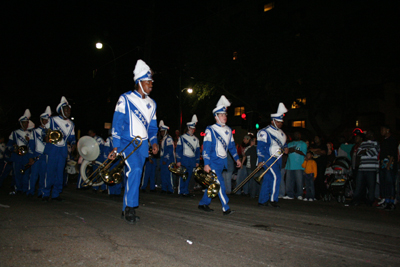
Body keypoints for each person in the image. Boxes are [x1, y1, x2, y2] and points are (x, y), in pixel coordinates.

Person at [108, 59, 159, 224]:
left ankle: (125, 208)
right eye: (148, 81)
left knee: (135, 175)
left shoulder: (152, 104)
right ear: (139, 82)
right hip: (126, 144)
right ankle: (130, 207)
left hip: (142, 146)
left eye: (151, 81)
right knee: (135, 170)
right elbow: (117, 123)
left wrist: (155, 142)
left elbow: (152, 128)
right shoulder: (125, 98)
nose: (151, 84)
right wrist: (115, 146)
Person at [198, 95, 241, 215]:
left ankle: (203, 203)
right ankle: (225, 207)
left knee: (212, 184)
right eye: (221, 115)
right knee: (220, 184)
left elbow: (231, 147)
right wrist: (206, 164)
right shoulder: (210, 130)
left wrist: (237, 159)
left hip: (222, 162)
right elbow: (206, 149)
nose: (224, 117)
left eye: (225, 114)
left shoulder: (228, 130)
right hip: (213, 163)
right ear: (216, 117)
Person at [42, 97, 76, 202]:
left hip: (62, 150)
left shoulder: (71, 124)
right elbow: (44, 133)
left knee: (60, 173)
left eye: (69, 110)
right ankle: (46, 193)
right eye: (66, 109)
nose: (68, 111)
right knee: (49, 172)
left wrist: (74, 144)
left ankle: (56, 193)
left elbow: (72, 138)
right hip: (52, 148)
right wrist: (46, 137)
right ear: (61, 110)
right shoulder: (52, 120)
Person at [257, 103, 288, 208]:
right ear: (272, 121)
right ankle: (273, 200)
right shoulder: (264, 132)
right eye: (278, 122)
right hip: (268, 158)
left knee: (268, 179)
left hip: (278, 159)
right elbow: (260, 147)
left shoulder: (283, 134)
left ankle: (262, 200)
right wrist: (261, 160)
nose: (280, 124)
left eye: (281, 122)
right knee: (277, 177)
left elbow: (284, 144)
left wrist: (286, 147)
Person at [6, 109, 34, 194]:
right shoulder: (15, 133)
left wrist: (29, 141)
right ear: (21, 123)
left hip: (26, 156)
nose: (26, 124)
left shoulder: (31, 133)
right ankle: (18, 188)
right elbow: (9, 145)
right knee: (17, 173)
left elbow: (32, 146)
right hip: (17, 156)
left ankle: (25, 189)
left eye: (27, 122)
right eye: (24, 122)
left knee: (26, 173)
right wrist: (13, 149)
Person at [350, 130, 379, 206]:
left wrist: (364, 151)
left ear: (373, 135)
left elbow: (373, 153)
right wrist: (366, 151)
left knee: (371, 186)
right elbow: (358, 153)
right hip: (362, 167)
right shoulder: (363, 143)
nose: (367, 134)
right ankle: (356, 200)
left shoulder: (376, 143)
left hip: (371, 168)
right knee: (358, 185)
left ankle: (370, 201)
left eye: (369, 133)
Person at [27, 106, 51, 197]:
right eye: (44, 120)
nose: (46, 122)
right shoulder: (35, 131)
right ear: (41, 120)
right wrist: (30, 157)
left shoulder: (51, 133)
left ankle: (41, 192)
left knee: (43, 176)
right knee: (33, 175)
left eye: (47, 120)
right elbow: (31, 145)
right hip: (37, 155)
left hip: (46, 156)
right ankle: (30, 191)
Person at [176, 115, 200, 197]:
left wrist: (197, 161)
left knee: (189, 176)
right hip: (184, 159)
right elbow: (178, 150)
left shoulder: (196, 140)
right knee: (183, 176)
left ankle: (185, 191)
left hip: (192, 160)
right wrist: (178, 160)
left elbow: (197, 152)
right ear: (188, 128)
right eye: (191, 128)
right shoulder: (182, 138)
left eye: (194, 129)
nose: (193, 130)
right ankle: (181, 191)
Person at [377, 125, 398, 211]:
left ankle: (391, 202)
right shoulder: (383, 141)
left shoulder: (392, 140)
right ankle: (386, 201)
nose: (381, 131)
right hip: (382, 164)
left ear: (388, 130)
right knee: (384, 183)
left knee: (390, 183)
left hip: (389, 163)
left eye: (383, 129)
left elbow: (393, 152)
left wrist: (389, 164)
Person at [284, 131, 307, 200]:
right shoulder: (289, 144)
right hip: (289, 165)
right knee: (288, 181)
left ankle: (299, 194)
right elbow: (286, 152)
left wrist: (294, 150)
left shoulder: (303, 143)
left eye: (298, 134)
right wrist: (288, 150)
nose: (296, 135)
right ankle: (289, 194)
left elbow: (304, 153)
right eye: (295, 134)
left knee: (299, 181)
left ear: (300, 135)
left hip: (299, 165)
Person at [159, 120, 175, 194]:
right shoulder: (164, 139)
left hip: (168, 159)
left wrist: (165, 159)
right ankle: (164, 188)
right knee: (163, 174)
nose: (161, 132)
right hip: (163, 158)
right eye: (161, 131)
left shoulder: (168, 138)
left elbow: (170, 150)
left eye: (163, 131)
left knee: (168, 174)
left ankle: (170, 188)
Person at [309, 135, 327, 200]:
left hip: (321, 164)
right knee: (314, 180)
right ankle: (316, 195)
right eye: (315, 138)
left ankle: (324, 194)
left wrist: (316, 151)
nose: (315, 139)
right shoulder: (313, 145)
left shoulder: (323, 145)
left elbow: (323, 152)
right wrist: (317, 150)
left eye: (317, 138)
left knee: (320, 179)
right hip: (313, 165)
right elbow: (310, 150)